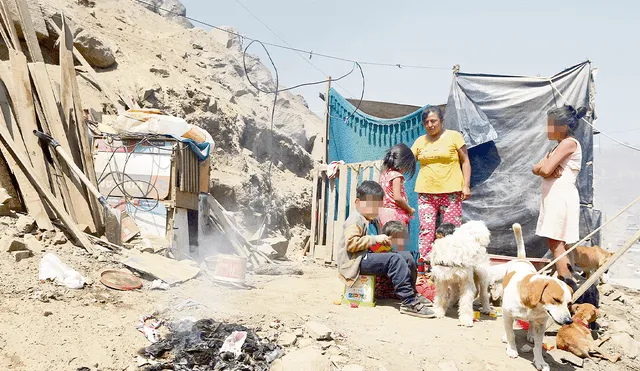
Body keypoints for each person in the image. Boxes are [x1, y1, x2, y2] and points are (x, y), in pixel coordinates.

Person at [336, 181, 435, 318]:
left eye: (377, 207)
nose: (373, 210)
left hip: (367, 256)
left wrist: (384, 245)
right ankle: (408, 302)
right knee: (394, 259)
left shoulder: (372, 220)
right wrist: (375, 239)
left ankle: (412, 294)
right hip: (355, 262)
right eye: (370, 205)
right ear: (357, 202)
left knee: (405, 256)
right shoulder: (355, 219)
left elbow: (373, 244)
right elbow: (351, 244)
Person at [533, 105, 587, 286]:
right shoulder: (557, 147)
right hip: (554, 198)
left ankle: (567, 285)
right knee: (561, 243)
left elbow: (545, 168)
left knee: (556, 243)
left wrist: (544, 166)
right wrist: (542, 167)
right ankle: (569, 283)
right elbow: (538, 168)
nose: (547, 129)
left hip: (561, 199)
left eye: (551, 125)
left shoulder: (568, 143)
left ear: (562, 127)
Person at [410, 106, 471, 260]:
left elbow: (465, 161)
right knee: (426, 230)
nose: (430, 125)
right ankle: (426, 266)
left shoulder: (454, 137)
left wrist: (466, 186)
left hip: (451, 193)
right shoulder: (420, 141)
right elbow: (408, 161)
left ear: (442, 121)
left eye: (433, 121)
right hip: (426, 193)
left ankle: (450, 262)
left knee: (451, 231)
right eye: (426, 122)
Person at [378, 144, 416, 228]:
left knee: (386, 239)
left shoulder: (384, 174)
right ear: (403, 163)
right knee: (397, 240)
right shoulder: (396, 176)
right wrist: (409, 209)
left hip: (383, 213)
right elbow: (397, 198)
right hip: (395, 214)